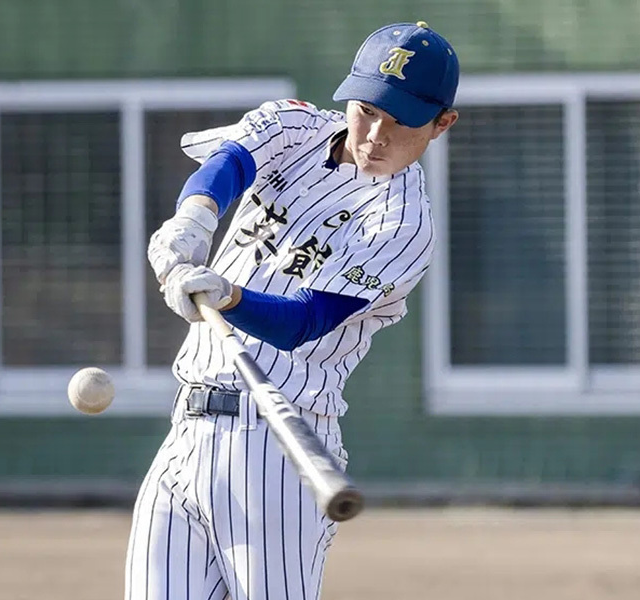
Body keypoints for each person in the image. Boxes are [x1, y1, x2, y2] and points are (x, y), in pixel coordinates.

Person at [126, 21, 459, 600]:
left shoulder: (404, 223)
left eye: (400, 119)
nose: (375, 134)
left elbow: (304, 321)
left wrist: (228, 297)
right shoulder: (294, 124)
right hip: (186, 427)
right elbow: (228, 165)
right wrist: (192, 222)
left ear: (441, 123)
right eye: (367, 110)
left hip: (277, 445)